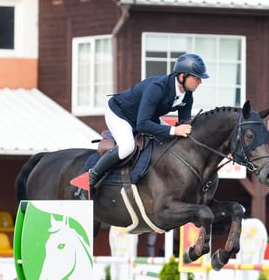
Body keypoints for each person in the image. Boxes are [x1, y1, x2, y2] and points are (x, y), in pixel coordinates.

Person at [80, 52, 209, 198]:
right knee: (127, 147)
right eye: (197, 77)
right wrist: (174, 130)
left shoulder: (187, 95)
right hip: (121, 114)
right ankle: (90, 179)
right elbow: (142, 125)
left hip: (147, 117)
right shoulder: (157, 87)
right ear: (182, 76)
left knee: (168, 140)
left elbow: (184, 125)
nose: (200, 82)